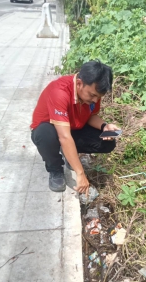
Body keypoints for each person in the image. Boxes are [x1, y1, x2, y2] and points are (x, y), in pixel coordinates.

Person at [30, 60, 120, 196]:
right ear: (79, 84)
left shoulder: (92, 92)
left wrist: (104, 126)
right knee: (45, 134)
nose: (96, 100)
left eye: (98, 97)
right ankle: (55, 169)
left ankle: (69, 154)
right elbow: (64, 136)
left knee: (108, 142)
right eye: (93, 96)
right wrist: (80, 173)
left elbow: (90, 115)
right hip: (51, 129)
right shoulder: (59, 92)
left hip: (72, 127)